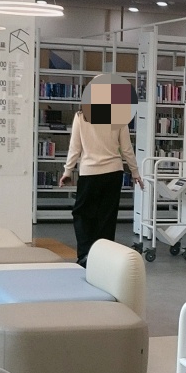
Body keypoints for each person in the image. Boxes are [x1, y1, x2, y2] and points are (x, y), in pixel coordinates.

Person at [59, 107, 143, 266]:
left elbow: (75, 147)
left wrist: (68, 171)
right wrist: (135, 172)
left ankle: (85, 254)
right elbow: (126, 148)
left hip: (89, 173)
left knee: (82, 214)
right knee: (107, 217)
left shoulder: (81, 116)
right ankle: (104, 258)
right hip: (113, 173)